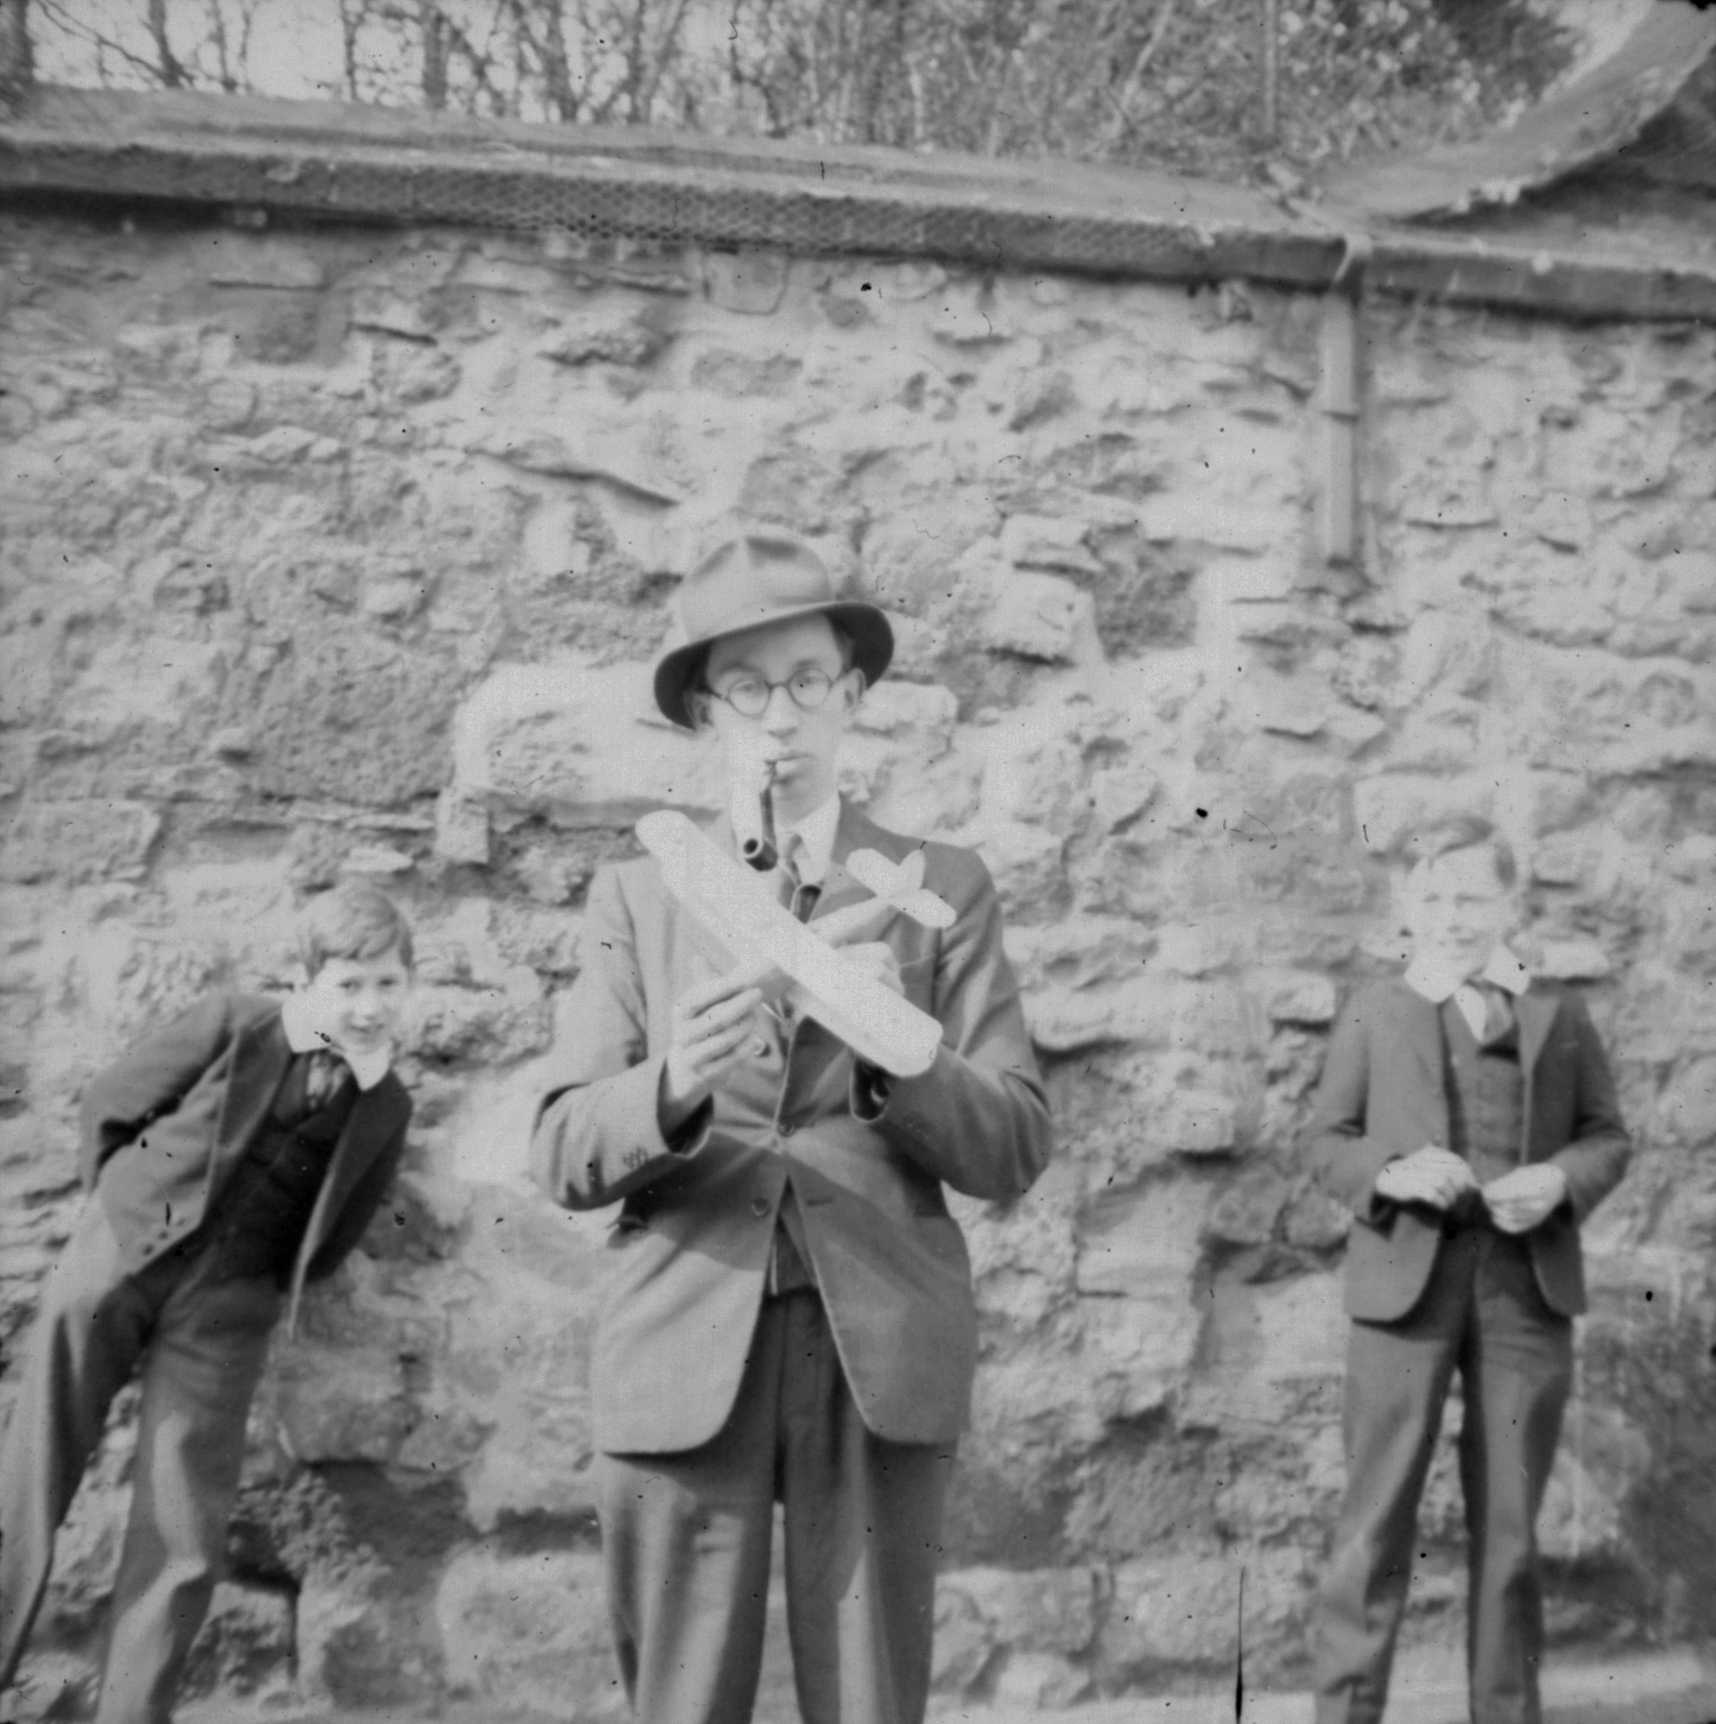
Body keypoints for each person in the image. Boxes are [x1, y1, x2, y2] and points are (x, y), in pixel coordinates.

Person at [531, 527, 1052, 1724]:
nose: (781, 717)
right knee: (681, 1695)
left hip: (876, 1336)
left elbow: (1015, 1144)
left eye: (809, 681)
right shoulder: (644, 890)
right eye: (748, 688)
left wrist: (894, 1048)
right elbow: (562, 1145)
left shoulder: (941, 882)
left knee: (870, 1702)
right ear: (707, 713)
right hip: (683, 1328)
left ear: (855, 695)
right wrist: (671, 1085)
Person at [0, 879, 416, 1724]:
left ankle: (131, 1711)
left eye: (388, 984)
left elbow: (337, 1235)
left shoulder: (388, 1104)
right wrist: (121, 1220)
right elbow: (110, 1105)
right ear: (305, 980)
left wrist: (255, 1277)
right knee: (35, 1464)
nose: (370, 1006)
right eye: (349, 983)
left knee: (184, 1527)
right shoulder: (237, 1024)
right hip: (123, 1256)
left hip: (228, 1309)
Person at [1306, 817, 1632, 1724]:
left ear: (1511, 903)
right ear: (1412, 904)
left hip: (1525, 1290)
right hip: (1403, 1292)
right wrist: (1393, 1174)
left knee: (1512, 1533)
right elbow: (1323, 1141)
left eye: (1474, 896)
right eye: (1436, 897)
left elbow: (1608, 1136)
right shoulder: (1378, 1008)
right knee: (1373, 1525)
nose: (1453, 916)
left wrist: (1557, 1181)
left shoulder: (1556, 1012)